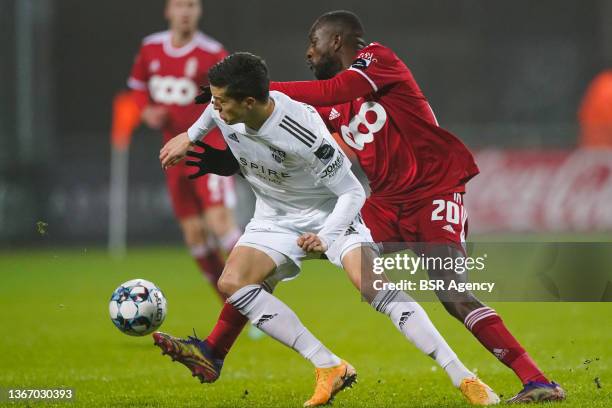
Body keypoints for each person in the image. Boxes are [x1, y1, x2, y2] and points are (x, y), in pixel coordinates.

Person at [156, 52, 499, 406]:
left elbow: (351, 192)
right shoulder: (226, 108)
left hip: (332, 213)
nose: (215, 108)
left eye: (221, 101)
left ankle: (462, 376)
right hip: (274, 217)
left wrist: (326, 236)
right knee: (232, 282)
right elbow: (211, 112)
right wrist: (190, 136)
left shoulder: (301, 129)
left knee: (371, 286)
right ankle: (328, 365)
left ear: (249, 102)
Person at [266, 10, 565, 404]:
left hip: (434, 192)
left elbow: (328, 92)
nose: (308, 52)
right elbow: (300, 123)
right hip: (387, 205)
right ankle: (217, 348)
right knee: (278, 251)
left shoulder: (377, 59)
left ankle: (537, 381)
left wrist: (261, 86)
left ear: (336, 41)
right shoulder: (338, 105)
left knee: (453, 296)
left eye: (313, 42)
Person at [127, 0, 240, 295]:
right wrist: (146, 111)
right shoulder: (150, 48)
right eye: (180, 5)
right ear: (168, 10)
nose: (186, 11)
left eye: (192, 5)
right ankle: (231, 304)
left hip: (209, 150)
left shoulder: (213, 53)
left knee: (219, 222)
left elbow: (233, 96)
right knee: (194, 235)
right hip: (173, 154)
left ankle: (257, 290)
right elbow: (138, 87)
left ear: (199, 11)